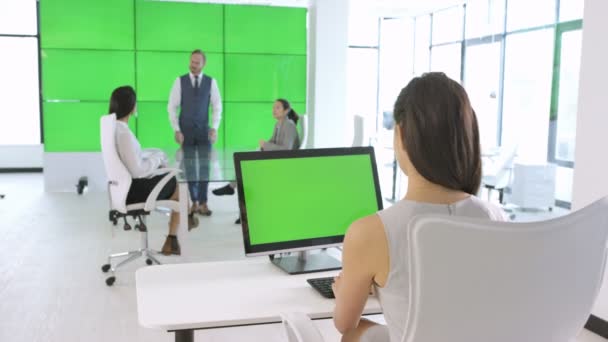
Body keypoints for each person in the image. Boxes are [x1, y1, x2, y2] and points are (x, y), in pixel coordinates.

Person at [331, 72, 506, 342]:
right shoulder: (495, 216)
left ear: (400, 134)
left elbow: (344, 322)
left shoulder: (371, 232)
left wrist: (343, 290)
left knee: (353, 334)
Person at [110, 86, 198, 256]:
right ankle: (182, 223)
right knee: (179, 185)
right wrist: (157, 161)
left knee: (173, 181)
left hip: (122, 188)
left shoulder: (114, 128)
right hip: (134, 190)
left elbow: (131, 158)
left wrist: (154, 157)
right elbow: (137, 170)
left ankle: (176, 234)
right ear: (131, 106)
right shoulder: (124, 133)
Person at [212, 99, 300, 224]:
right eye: (273, 107)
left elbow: (287, 150)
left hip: (283, 165)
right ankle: (241, 208)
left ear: (286, 111)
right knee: (245, 168)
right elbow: (271, 143)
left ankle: (233, 190)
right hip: (274, 161)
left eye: (278, 108)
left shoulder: (289, 125)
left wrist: (265, 145)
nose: (274, 110)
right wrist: (263, 146)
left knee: (246, 172)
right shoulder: (278, 124)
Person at [168, 49, 222, 217]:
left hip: (204, 131)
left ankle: (204, 202)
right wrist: (176, 129)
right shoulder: (179, 81)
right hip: (186, 131)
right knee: (189, 167)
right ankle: (194, 203)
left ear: (203, 64)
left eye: (197, 63)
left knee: (205, 167)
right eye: (192, 62)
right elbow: (172, 107)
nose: (193, 65)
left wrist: (214, 127)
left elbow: (217, 106)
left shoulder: (211, 82)